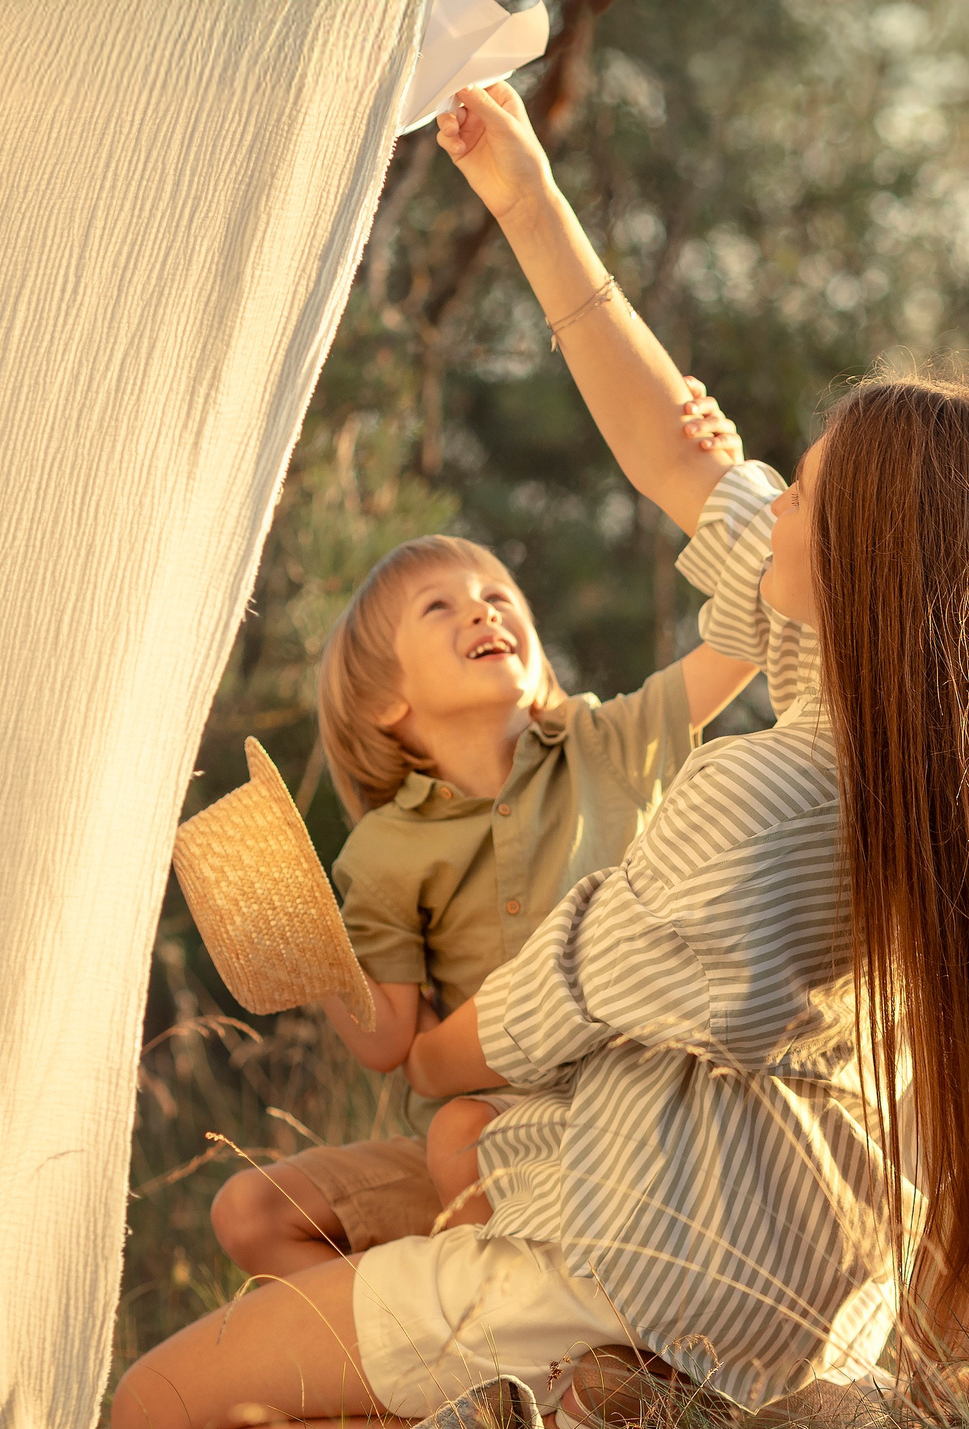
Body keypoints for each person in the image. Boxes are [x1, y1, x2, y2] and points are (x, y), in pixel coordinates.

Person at [108, 82, 969, 1429]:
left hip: (635, 1260)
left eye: (800, 492)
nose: (767, 499)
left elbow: (539, 1013)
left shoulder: (765, 797)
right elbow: (691, 461)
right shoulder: (923, 759)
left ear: (860, 565)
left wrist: (427, 1047)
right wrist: (525, 197)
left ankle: (601, 1400)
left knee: (154, 1413)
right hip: (804, 1288)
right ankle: (567, 1426)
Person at [207, 395, 759, 1280]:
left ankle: (518, 1330)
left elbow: (744, 639)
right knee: (250, 1212)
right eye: (440, 608)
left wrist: (724, 483)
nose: (484, 611)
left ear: (538, 661)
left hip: (643, 1108)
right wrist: (308, 955)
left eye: (499, 595)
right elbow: (392, 1041)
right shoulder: (384, 851)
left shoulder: (607, 742)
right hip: (494, 1145)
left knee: (458, 1130)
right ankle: (442, 1369)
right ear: (390, 706)